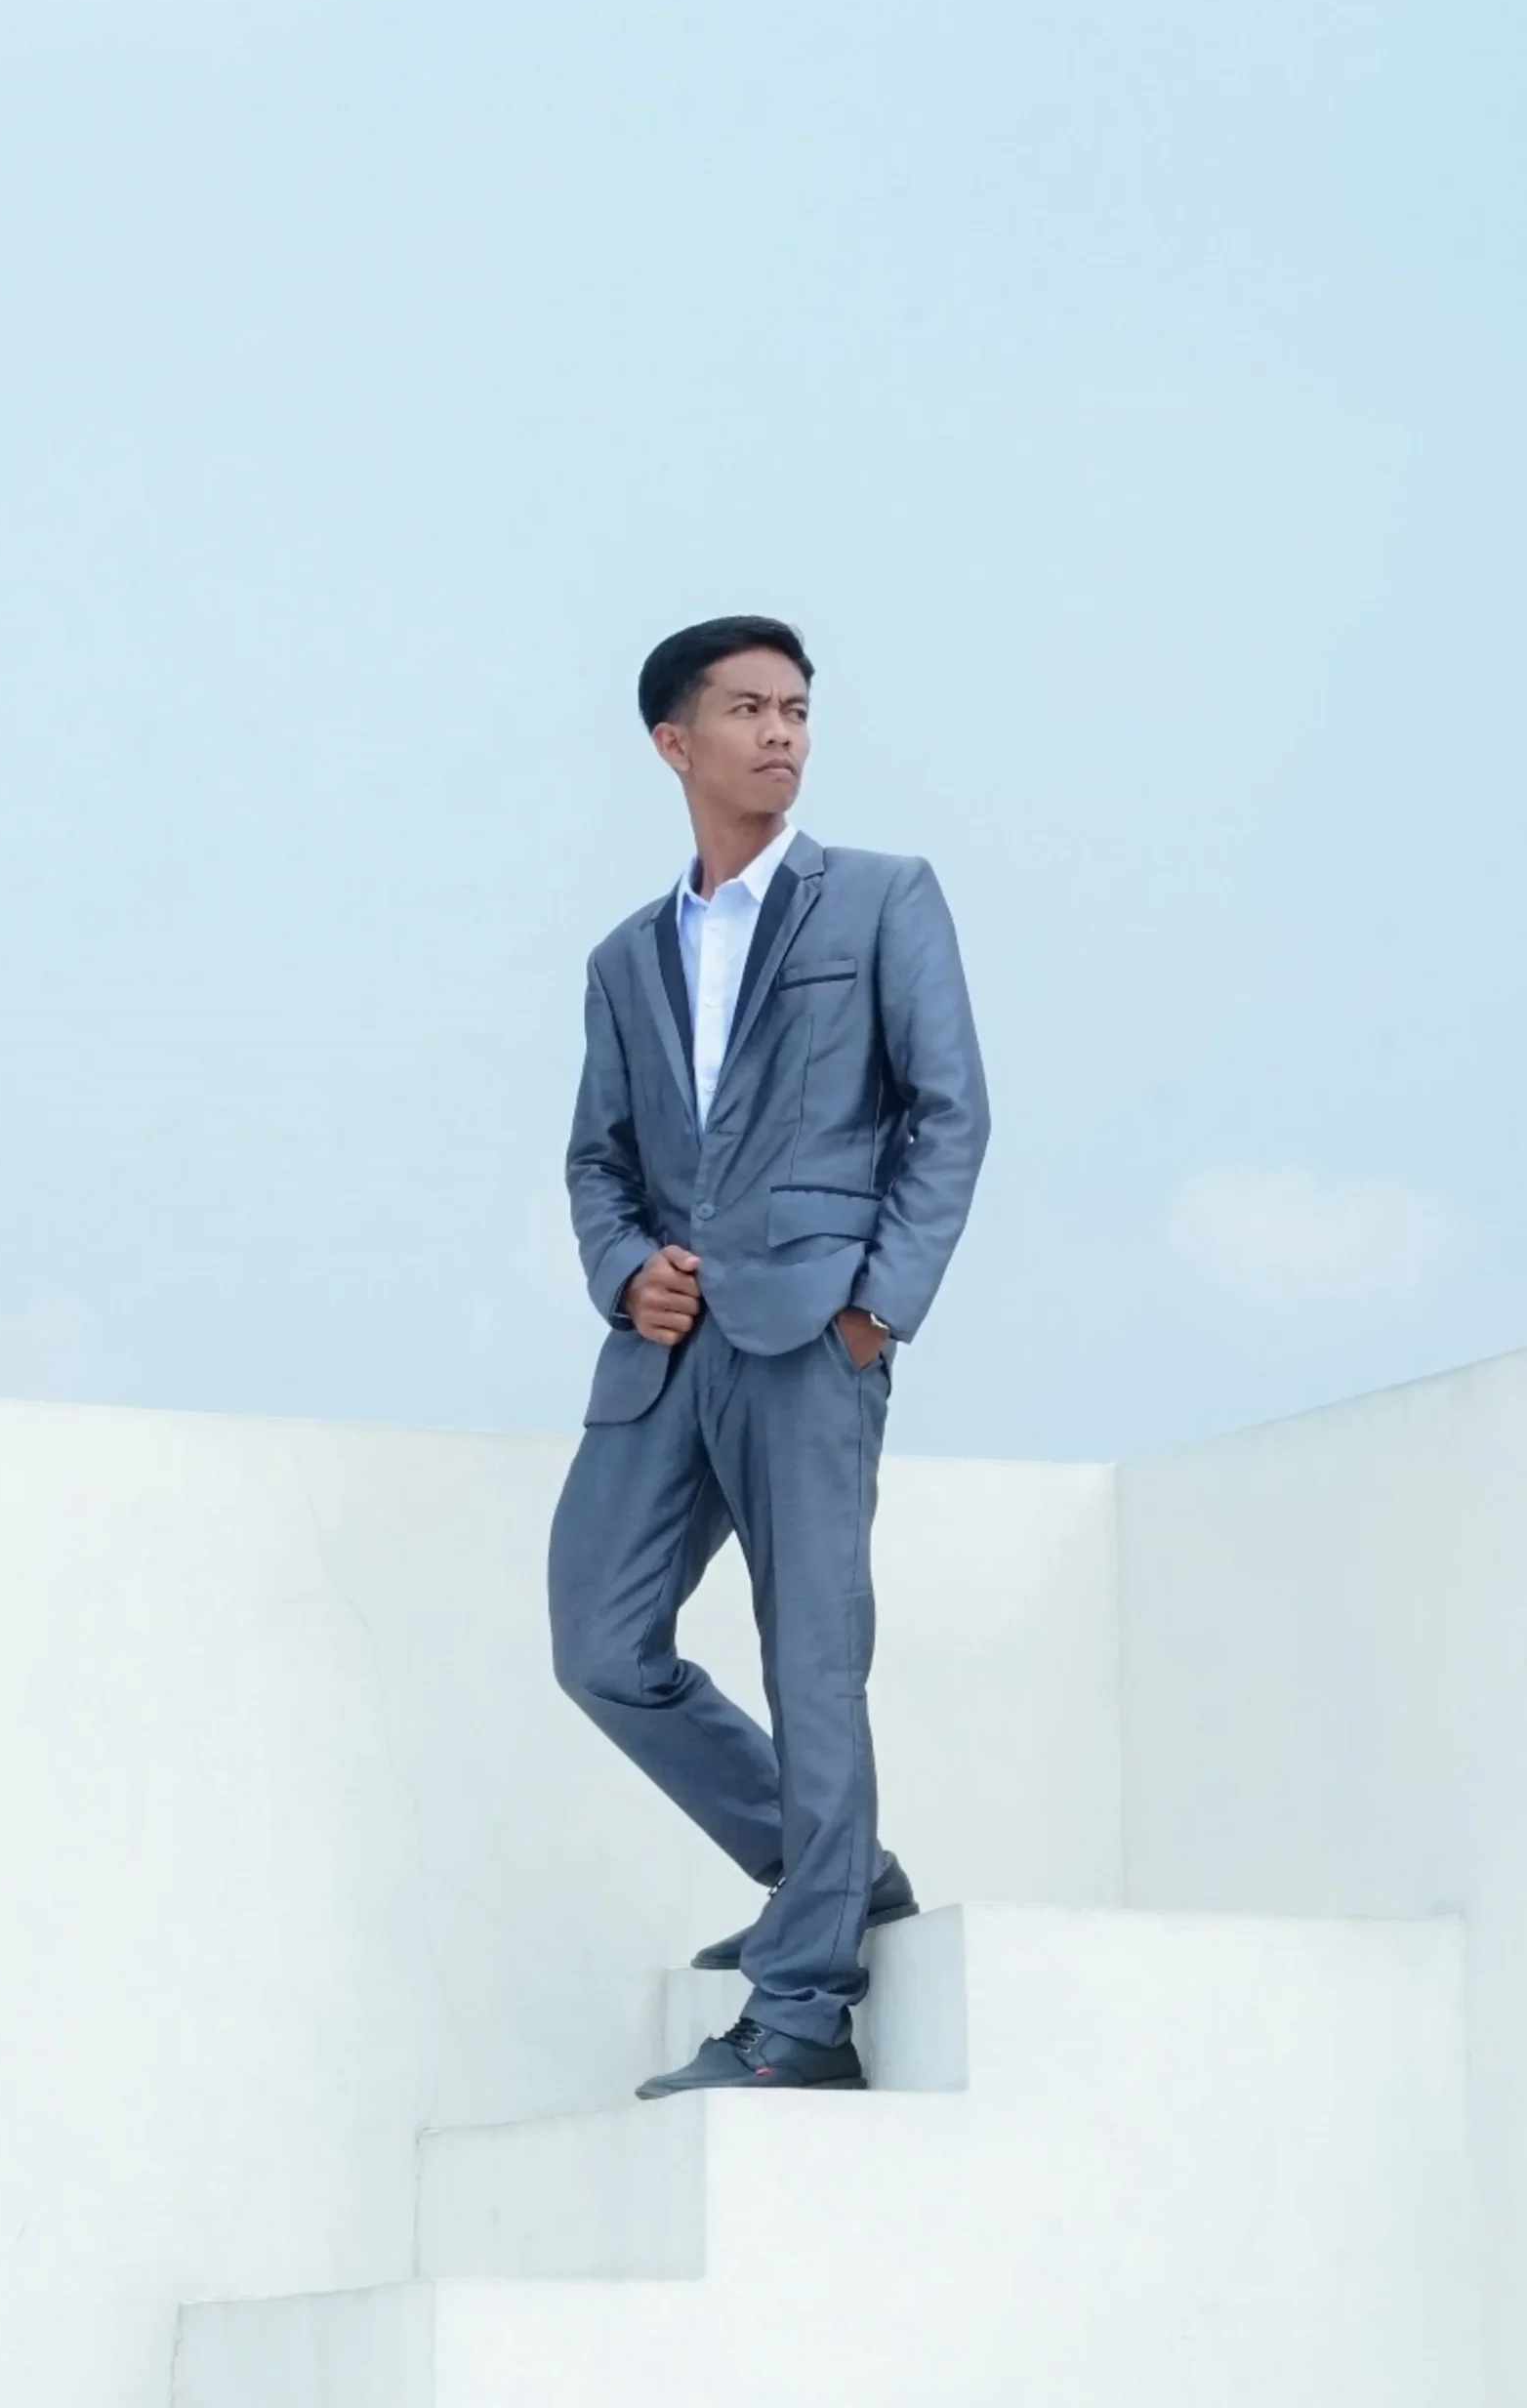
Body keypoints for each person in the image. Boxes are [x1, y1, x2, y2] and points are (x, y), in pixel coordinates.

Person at [549, 615, 990, 2097]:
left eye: (796, 708)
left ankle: (802, 2016)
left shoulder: (879, 899)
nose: (782, 732)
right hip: (668, 1354)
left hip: (815, 1337)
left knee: (812, 1659)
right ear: (674, 742)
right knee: (601, 1645)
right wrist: (626, 1271)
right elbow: (598, 1160)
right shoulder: (627, 957)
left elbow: (949, 1113)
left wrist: (880, 1306)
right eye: (747, 709)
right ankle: (833, 1872)